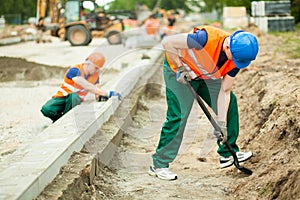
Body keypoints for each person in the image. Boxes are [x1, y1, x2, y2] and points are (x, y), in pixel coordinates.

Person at [148, 25, 259, 180]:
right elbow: (167, 43)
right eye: (234, 57)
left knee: (231, 102)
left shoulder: (237, 57)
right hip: (179, 72)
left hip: (206, 76)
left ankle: (227, 153)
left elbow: (224, 92)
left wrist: (222, 123)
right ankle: (159, 164)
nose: (235, 61)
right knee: (179, 115)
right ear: (228, 46)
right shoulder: (204, 38)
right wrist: (181, 68)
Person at [41, 51, 121, 122]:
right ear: (88, 64)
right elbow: (86, 85)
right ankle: (58, 120)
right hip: (62, 97)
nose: (97, 71)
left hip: (74, 99)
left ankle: (66, 121)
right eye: (96, 68)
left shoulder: (95, 76)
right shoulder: (74, 70)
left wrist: (103, 97)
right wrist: (107, 93)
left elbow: (97, 91)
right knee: (46, 109)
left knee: (74, 97)